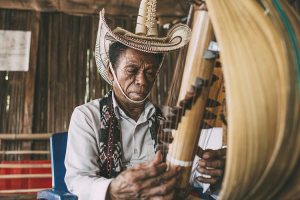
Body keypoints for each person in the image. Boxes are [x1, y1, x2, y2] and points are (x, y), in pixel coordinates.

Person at [65, 1, 225, 200]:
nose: (142, 80)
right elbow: (78, 179)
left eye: (150, 73)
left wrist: (214, 173)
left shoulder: (171, 119)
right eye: (132, 70)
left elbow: (190, 174)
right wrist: (113, 189)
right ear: (110, 71)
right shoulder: (88, 116)